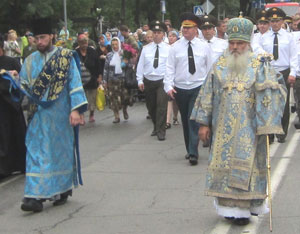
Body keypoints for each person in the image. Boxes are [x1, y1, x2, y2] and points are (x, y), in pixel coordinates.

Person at [191, 17, 287, 225]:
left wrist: (267, 119)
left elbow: (275, 91)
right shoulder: (220, 65)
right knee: (223, 169)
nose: (235, 47)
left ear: (248, 43)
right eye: (232, 43)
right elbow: (207, 94)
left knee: (248, 169)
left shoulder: (260, 65)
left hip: (250, 129)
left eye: (239, 43)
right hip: (222, 129)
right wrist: (204, 123)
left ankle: (244, 210)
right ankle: (228, 209)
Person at [6, 18, 88, 212]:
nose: (39, 42)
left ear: (51, 36)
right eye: (37, 39)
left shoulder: (65, 57)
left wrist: (76, 110)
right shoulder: (29, 60)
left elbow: (74, 83)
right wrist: (14, 79)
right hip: (37, 116)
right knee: (35, 153)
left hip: (60, 117)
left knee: (59, 154)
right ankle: (33, 196)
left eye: (43, 37)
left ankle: (62, 188)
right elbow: (24, 88)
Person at [164, 12, 212, 165]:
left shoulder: (204, 47)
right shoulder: (175, 48)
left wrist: (209, 87)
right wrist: (168, 86)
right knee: (185, 120)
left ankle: (193, 152)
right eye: (184, 28)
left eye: (189, 28)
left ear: (196, 29)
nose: (185, 30)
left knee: (193, 119)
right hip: (180, 88)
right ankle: (189, 148)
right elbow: (169, 68)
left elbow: (209, 68)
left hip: (198, 87)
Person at [254, 7, 298, 143]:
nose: (275, 23)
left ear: (282, 21)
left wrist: (293, 73)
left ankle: (282, 132)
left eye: (277, 21)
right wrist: (263, 54)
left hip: (284, 71)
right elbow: (256, 50)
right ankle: (270, 133)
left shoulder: (289, 37)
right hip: (269, 71)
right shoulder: (263, 37)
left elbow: (294, 56)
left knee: (283, 103)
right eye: (272, 21)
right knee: (269, 102)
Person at [136, 21, 170, 141]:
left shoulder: (169, 49)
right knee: (151, 106)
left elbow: (171, 67)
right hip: (149, 80)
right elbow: (140, 65)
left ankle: (161, 131)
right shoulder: (145, 49)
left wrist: (171, 82)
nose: (156, 35)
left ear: (163, 35)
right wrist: (139, 80)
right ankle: (156, 126)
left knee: (161, 106)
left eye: (159, 33)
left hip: (162, 80)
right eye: (154, 33)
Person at [0, 34, 26, 179]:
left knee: (16, 135)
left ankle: (20, 164)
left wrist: (14, 78)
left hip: (12, 106)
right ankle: (3, 168)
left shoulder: (12, 62)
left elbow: (23, 81)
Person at [103, 37, 132, 123]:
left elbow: (130, 66)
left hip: (122, 79)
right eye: (113, 45)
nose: (115, 46)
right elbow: (106, 69)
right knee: (113, 98)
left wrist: (126, 62)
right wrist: (105, 81)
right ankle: (116, 116)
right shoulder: (109, 55)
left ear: (119, 44)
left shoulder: (124, 53)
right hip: (112, 80)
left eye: (116, 44)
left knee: (124, 97)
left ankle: (124, 110)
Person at [76, 34, 101, 123]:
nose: (84, 44)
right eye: (82, 42)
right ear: (79, 43)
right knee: (81, 100)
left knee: (92, 98)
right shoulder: (75, 53)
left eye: (85, 42)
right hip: (79, 80)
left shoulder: (92, 51)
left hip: (92, 79)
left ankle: (91, 113)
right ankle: (81, 116)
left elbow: (98, 64)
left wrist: (99, 76)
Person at [166, 30, 180, 129]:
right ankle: (168, 120)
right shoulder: (166, 48)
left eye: (173, 36)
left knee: (176, 100)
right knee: (169, 98)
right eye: (169, 36)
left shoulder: (179, 47)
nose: (171, 38)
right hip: (169, 76)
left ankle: (175, 116)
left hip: (178, 77)